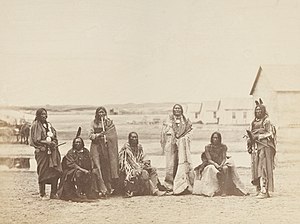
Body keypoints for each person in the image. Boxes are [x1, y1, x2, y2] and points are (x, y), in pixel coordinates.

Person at [193, 132, 248, 197]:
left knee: (225, 168)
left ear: (219, 139)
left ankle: (223, 190)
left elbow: (224, 158)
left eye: (217, 138)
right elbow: (209, 159)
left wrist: (221, 165)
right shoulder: (207, 147)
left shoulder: (223, 147)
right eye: (214, 138)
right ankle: (214, 189)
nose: (215, 139)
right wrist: (216, 165)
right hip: (211, 163)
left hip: (221, 163)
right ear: (212, 138)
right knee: (212, 169)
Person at [119, 132, 166, 197]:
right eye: (132, 137)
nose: (134, 139)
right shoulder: (126, 149)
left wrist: (146, 163)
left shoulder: (139, 147)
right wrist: (141, 167)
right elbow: (131, 163)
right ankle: (154, 191)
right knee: (144, 173)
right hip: (129, 169)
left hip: (139, 166)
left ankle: (155, 188)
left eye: (136, 137)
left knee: (153, 170)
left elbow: (142, 158)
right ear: (129, 139)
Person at [160, 104, 194, 195]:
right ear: (173, 110)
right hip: (171, 143)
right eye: (175, 108)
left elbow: (190, 130)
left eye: (179, 108)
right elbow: (164, 131)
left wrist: (184, 138)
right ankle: (169, 184)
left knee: (182, 163)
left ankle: (182, 183)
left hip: (183, 144)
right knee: (171, 164)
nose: (177, 110)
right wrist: (171, 136)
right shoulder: (168, 119)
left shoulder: (186, 119)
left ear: (181, 110)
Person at [247, 98, 276, 199]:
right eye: (256, 110)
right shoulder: (253, 122)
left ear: (263, 111)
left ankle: (265, 190)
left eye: (260, 110)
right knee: (256, 168)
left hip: (265, 146)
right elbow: (251, 133)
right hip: (256, 147)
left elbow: (271, 133)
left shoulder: (267, 121)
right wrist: (249, 141)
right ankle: (258, 188)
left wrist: (258, 136)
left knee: (264, 167)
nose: (258, 112)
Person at [30, 108, 62, 199]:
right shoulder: (36, 125)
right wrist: (47, 143)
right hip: (42, 152)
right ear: (38, 115)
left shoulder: (49, 125)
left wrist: (54, 142)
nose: (44, 116)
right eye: (42, 114)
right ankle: (42, 193)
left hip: (52, 152)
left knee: (55, 171)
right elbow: (36, 139)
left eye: (45, 114)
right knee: (43, 171)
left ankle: (53, 193)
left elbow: (54, 135)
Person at [89, 107, 119, 198]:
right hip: (96, 146)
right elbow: (90, 135)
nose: (101, 114)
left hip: (106, 147)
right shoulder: (93, 123)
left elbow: (113, 135)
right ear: (97, 113)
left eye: (103, 112)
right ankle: (101, 188)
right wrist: (98, 135)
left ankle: (108, 187)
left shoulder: (109, 122)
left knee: (106, 166)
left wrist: (107, 135)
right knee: (97, 166)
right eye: (99, 112)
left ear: (105, 113)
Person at [57, 135, 94, 201]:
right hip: (71, 170)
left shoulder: (86, 152)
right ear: (74, 143)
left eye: (79, 142)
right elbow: (72, 164)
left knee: (92, 173)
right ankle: (78, 192)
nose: (78, 144)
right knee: (78, 174)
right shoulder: (70, 152)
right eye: (76, 142)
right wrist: (83, 170)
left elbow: (89, 162)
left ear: (82, 143)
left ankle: (87, 192)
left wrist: (88, 170)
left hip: (84, 169)